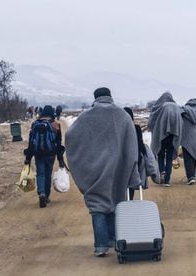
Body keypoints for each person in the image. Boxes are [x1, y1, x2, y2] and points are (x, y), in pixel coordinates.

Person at [65, 88, 140, 257]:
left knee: (97, 206)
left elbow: (70, 135)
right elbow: (131, 147)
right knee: (114, 202)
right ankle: (113, 239)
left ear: (95, 98)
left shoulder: (85, 117)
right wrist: (131, 170)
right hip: (117, 168)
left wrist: (83, 158)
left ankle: (101, 246)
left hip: (93, 168)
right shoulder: (123, 116)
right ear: (110, 96)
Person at [24, 105, 65, 208]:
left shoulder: (35, 124)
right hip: (51, 154)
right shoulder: (55, 125)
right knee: (47, 174)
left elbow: (31, 142)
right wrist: (60, 159)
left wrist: (28, 158)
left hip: (38, 153)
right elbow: (58, 144)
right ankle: (46, 196)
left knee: (40, 173)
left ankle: (41, 193)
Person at [148, 92, 182, 187]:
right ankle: (167, 181)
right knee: (170, 158)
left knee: (161, 155)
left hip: (161, 135)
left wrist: (151, 127)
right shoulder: (176, 107)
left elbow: (153, 118)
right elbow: (181, 122)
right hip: (173, 136)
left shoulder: (161, 106)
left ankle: (162, 171)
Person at [124, 107, 159, 199]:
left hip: (122, 162)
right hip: (136, 161)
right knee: (130, 185)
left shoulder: (118, 129)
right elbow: (140, 143)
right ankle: (129, 200)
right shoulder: (136, 128)